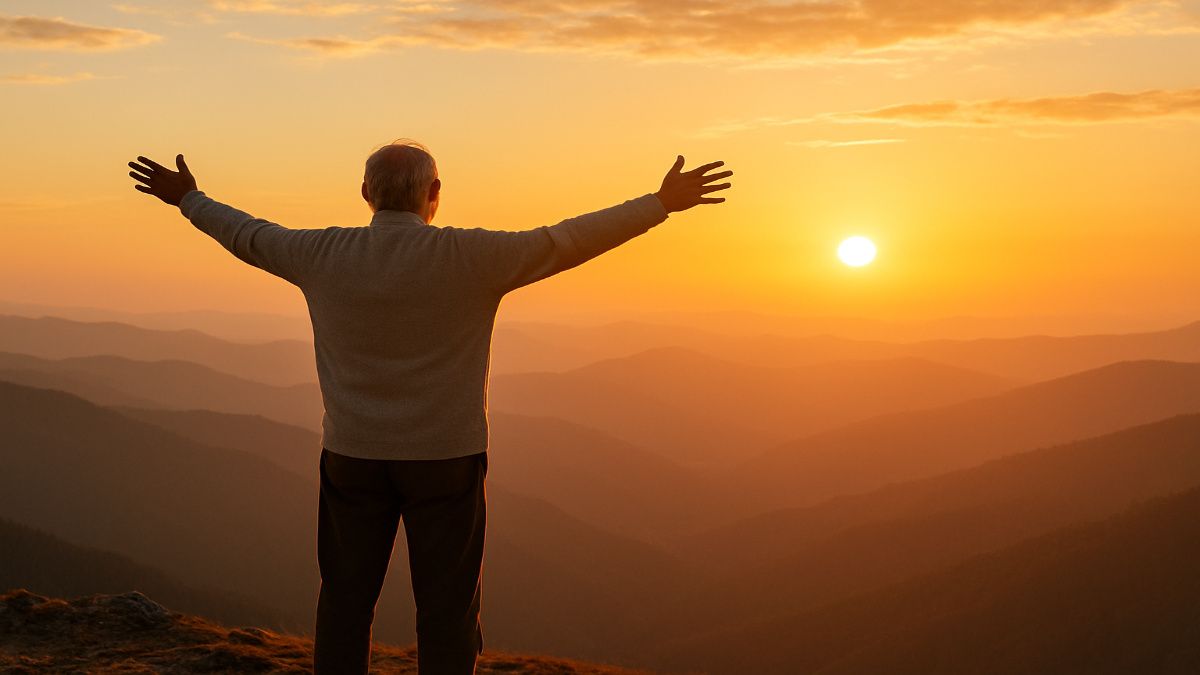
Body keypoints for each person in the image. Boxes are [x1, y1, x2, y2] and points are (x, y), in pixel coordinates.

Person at [126, 140, 732, 674]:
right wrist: (659, 205)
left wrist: (189, 199)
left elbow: (248, 233)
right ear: (434, 193)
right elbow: (568, 240)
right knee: (447, 608)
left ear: (365, 193)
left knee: (344, 600)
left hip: (352, 456)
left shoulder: (320, 254)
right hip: (447, 457)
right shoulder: (470, 257)